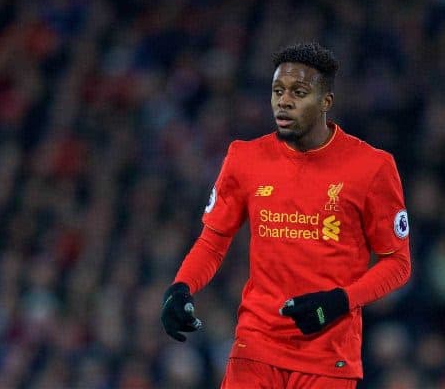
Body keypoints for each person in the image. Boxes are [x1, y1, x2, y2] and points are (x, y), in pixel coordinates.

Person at [160, 42, 411, 388]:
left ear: (326, 102)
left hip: (326, 356)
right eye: (277, 90)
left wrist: (340, 301)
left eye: (298, 91)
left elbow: (397, 263)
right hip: (256, 347)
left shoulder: (372, 167)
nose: (284, 100)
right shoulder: (244, 158)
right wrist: (181, 287)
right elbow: (214, 241)